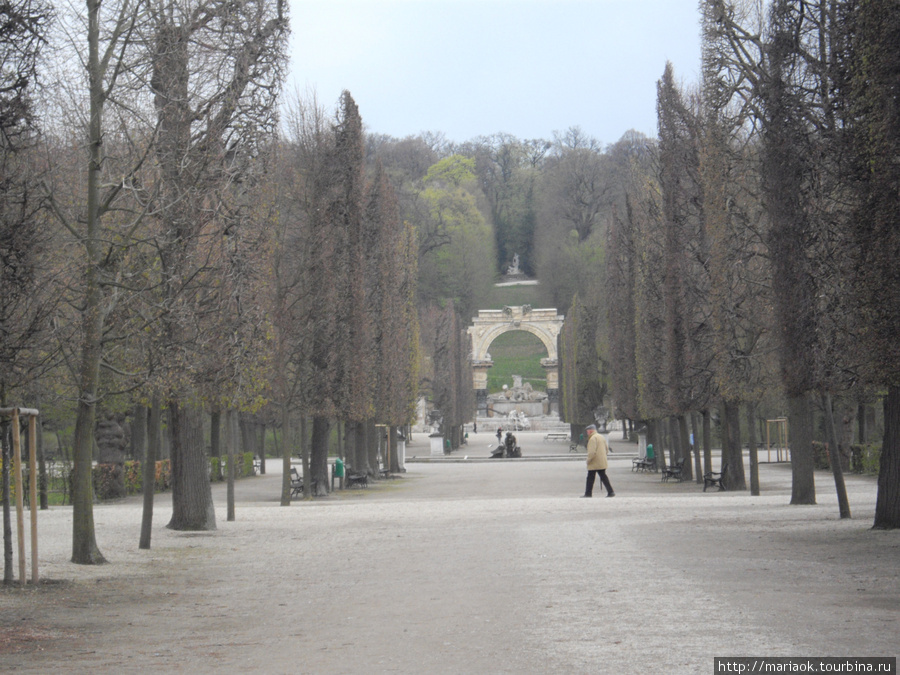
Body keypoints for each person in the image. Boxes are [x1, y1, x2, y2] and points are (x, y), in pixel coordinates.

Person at [582, 424, 615, 498]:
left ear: (590, 430)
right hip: (602, 461)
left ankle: (588, 493)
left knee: (590, 478)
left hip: (594, 461)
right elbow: (607, 449)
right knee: (603, 477)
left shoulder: (592, 438)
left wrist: (588, 460)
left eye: (587, 431)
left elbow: (592, 452)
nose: (587, 432)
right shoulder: (601, 437)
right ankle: (611, 491)